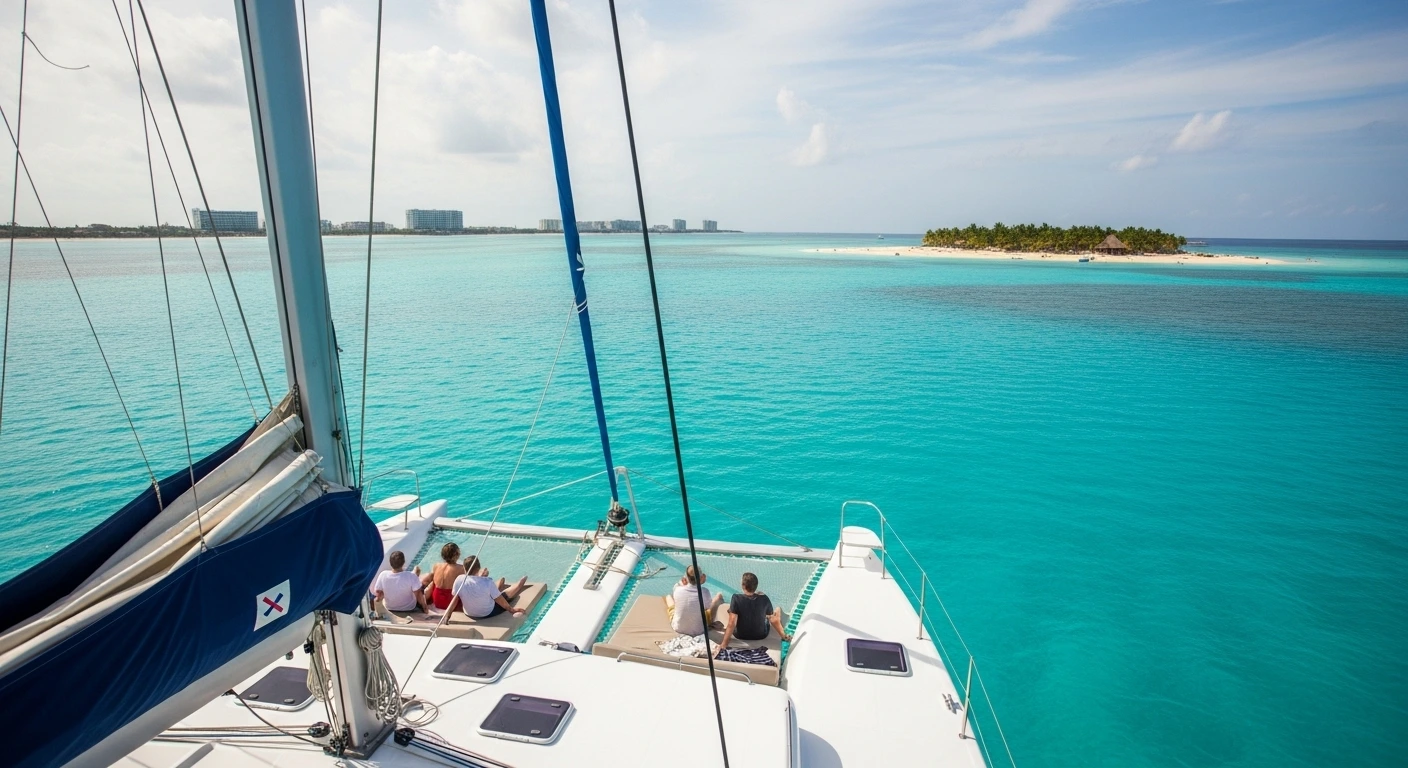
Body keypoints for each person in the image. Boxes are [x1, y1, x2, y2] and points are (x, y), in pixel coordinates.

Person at [717, 572, 790, 654]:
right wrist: (783, 635)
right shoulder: (764, 598)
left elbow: (732, 622)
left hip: (740, 634)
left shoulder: (736, 598)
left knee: (731, 612)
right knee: (777, 610)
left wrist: (724, 644)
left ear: (743, 586)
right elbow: (772, 619)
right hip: (761, 635)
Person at [450, 555, 528, 619]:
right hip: (487, 613)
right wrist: (512, 610)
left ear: (464, 568)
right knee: (504, 595)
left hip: (469, 613)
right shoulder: (487, 581)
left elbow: (454, 599)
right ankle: (519, 584)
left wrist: (448, 614)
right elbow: (500, 599)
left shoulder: (459, 579)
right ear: (478, 568)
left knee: (493, 587)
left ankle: (498, 586)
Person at [666, 565, 724, 636]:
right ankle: (712, 621)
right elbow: (708, 608)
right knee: (719, 596)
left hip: (678, 627)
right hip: (699, 630)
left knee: (668, 597)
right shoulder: (704, 592)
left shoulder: (678, 590)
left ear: (686, 578)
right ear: (702, 577)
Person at [424, 542, 466, 611]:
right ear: (457, 554)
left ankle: (425, 599)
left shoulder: (436, 565)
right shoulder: (461, 568)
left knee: (433, 583)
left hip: (436, 600)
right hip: (450, 602)